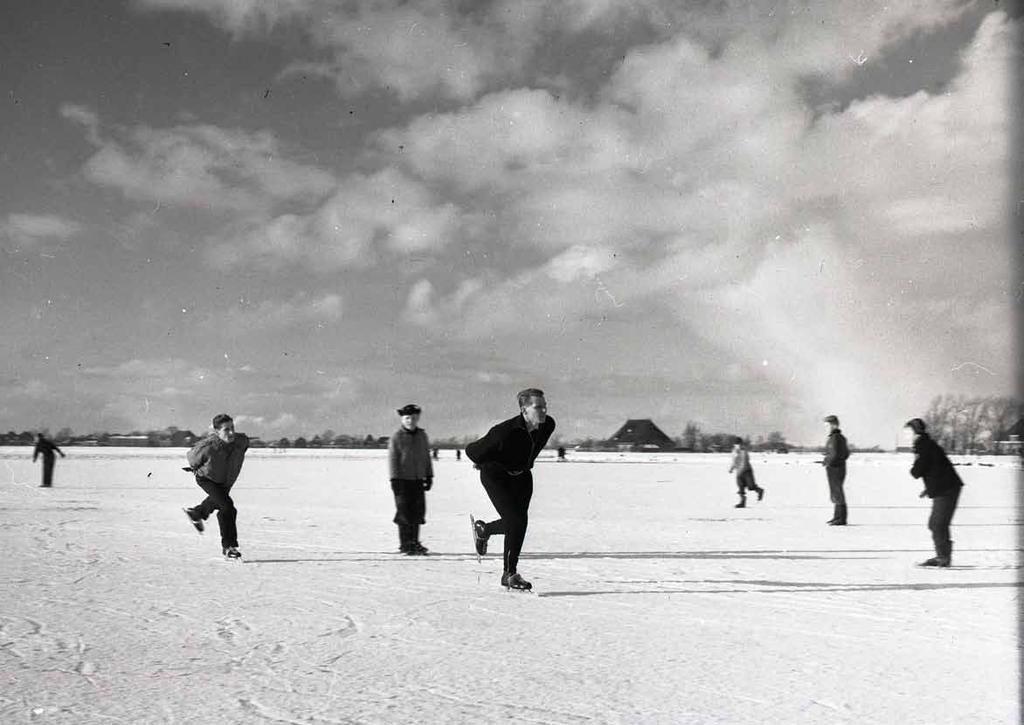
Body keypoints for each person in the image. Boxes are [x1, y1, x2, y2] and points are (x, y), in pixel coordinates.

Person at [466, 388, 556, 591]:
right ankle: (509, 574)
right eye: (538, 407)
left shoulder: (547, 425)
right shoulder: (504, 431)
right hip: (496, 476)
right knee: (515, 521)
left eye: (545, 406)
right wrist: (483, 460)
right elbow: (472, 451)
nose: (543, 410)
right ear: (524, 410)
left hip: (523, 477)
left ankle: (485, 530)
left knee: (518, 523)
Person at [182, 414, 249, 559]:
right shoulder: (207, 446)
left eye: (232, 428)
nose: (231, 433)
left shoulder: (241, 441)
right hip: (207, 479)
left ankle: (197, 513)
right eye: (226, 430)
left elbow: (242, 449)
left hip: (226, 481)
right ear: (217, 432)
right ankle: (229, 547)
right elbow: (192, 459)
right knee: (227, 508)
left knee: (219, 501)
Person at [906, 418, 964, 567]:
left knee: (937, 524)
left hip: (947, 489)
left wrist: (915, 458)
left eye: (909, 433)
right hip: (945, 487)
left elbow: (916, 471)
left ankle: (943, 557)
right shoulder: (927, 444)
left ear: (916, 433)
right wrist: (929, 488)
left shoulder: (923, 445)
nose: (908, 437)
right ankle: (943, 556)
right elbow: (936, 468)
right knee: (937, 524)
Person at [388, 404, 434, 555]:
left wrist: (429, 475)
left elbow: (426, 457)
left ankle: (415, 542)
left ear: (418, 418)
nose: (410, 421)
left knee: (418, 512)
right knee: (404, 512)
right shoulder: (397, 437)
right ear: (402, 419)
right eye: (407, 418)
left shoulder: (422, 436)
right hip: (402, 481)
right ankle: (406, 544)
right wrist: (394, 479)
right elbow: (393, 459)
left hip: (417, 480)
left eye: (414, 418)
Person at [821, 415, 850, 525]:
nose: (826, 427)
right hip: (837, 467)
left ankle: (841, 518)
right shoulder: (839, 437)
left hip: (835, 468)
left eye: (827, 425)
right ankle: (837, 516)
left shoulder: (835, 438)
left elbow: (836, 454)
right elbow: (845, 454)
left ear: (833, 425)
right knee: (836, 492)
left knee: (837, 492)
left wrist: (828, 461)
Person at [728, 436, 764, 508]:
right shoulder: (734, 452)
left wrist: (741, 470)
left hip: (747, 471)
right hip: (739, 472)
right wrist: (731, 468)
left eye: (739, 443)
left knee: (751, 486)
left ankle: (759, 490)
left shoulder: (744, 451)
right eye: (736, 444)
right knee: (740, 487)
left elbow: (745, 461)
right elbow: (734, 461)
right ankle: (742, 502)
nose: (738, 445)